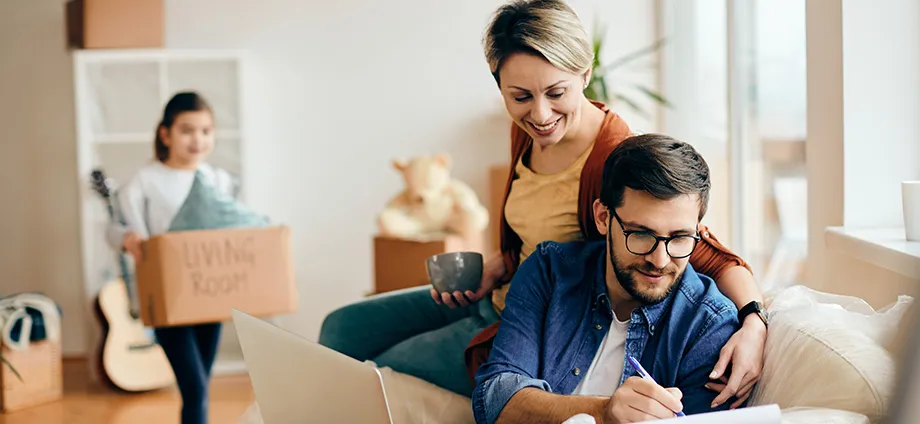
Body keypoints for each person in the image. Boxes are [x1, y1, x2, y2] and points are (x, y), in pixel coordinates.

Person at [320, 0, 766, 405]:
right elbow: (534, 228)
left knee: (376, 370)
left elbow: (693, 247)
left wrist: (754, 321)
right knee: (340, 329)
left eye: (556, 93)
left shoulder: (612, 156)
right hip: (500, 291)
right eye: (520, 96)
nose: (540, 114)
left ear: (585, 74)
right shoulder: (529, 133)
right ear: (500, 84)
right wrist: (500, 263)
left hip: (528, 323)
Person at [473, 133, 742, 424]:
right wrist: (602, 412)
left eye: (679, 238)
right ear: (603, 218)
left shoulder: (707, 325)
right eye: (641, 234)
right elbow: (495, 398)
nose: (660, 260)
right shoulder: (549, 271)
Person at [107, 92, 237, 424]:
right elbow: (114, 228)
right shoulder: (146, 180)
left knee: (200, 385)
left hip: (208, 293)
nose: (198, 139)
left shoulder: (217, 180)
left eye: (206, 131)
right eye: (187, 130)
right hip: (165, 295)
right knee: (195, 388)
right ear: (166, 134)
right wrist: (127, 238)